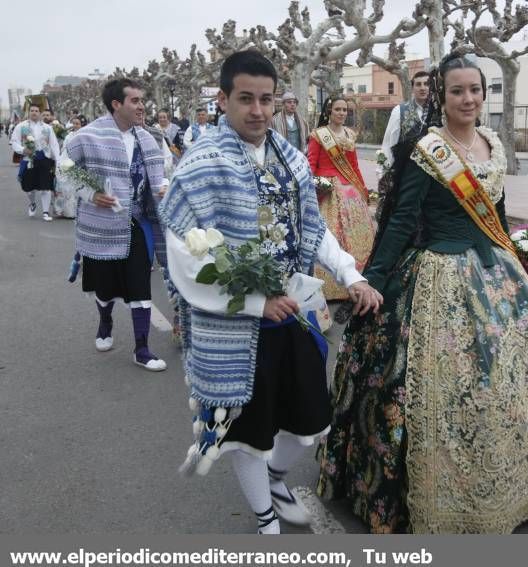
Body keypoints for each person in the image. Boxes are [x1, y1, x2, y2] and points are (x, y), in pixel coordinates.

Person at [317, 54, 528, 534]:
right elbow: (399, 219)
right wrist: (371, 277)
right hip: (438, 275)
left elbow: (496, 216)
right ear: (442, 94)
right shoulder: (427, 149)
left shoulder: (492, 144)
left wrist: (526, 255)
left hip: (495, 273)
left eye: (475, 89)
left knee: (506, 377)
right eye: (457, 91)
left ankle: (515, 480)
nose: (468, 99)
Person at [159, 50, 383, 535]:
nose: (257, 110)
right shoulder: (201, 164)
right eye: (245, 99)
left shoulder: (289, 157)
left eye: (266, 99)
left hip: (294, 311)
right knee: (246, 430)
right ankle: (265, 518)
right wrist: (258, 301)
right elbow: (185, 252)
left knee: (309, 421)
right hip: (233, 323)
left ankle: (277, 478)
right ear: (222, 100)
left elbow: (311, 229)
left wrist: (350, 274)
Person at [61, 78, 169, 372]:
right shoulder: (87, 136)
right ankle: (105, 320)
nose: (141, 106)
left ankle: (142, 348)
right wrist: (91, 193)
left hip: (137, 221)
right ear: (116, 105)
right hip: (102, 226)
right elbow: (64, 171)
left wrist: (163, 188)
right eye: (135, 101)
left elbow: (161, 173)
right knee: (105, 287)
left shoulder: (149, 138)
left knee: (139, 284)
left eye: (142, 101)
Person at [307, 95, 376, 305]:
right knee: (332, 236)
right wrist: (316, 187)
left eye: (345, 110)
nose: (341, 113)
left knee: (358, 238)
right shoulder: (319, 135)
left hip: (351, 194)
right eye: (337, 109)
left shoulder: (349, 135)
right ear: (329, 111)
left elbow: (354, 167)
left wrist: (363, 191)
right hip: (329, 193)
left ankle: (356, 281)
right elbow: (311, 164)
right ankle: (330, 287)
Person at [11, 103, 60, 221]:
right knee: (29, 188)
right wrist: (23, 150)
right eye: (32, 110)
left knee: (46, 187)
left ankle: (45, 212)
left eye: (36, 111)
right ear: (29, 112)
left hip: (45, 159)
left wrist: (57, 160)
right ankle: (32, 203)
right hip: (29, 160)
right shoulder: (21, 126)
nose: (34, 112)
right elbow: (14, 141)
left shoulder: (47, 128)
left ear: (40, 113)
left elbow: (54, 144)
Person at [380, 70, 429, 168]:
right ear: (412, 88)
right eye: (418, 84)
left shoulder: (441, 112)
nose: (423, 88)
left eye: (427, 84)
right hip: (407, 173)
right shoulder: (399, 111)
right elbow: (388, 144)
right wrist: (383, 171)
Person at [54, 115, 87, 219]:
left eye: (78, 123)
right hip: (67, 161)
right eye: (74, 123)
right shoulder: (68, 135)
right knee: (66, 188)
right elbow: (64, 148)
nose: (75, 125)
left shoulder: (85, 135)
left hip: (79, 163)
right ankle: (65, 211)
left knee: (77, 188)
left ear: (82, 125)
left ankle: (77, 211)